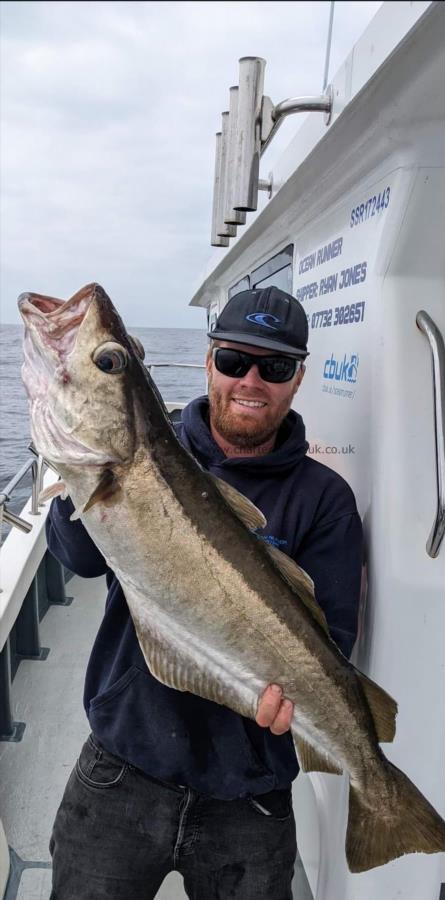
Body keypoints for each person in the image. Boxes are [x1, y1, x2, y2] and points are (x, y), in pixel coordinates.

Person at [46, 286, 363, 900]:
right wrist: (78, 471)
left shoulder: (324, 498)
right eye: (234, 360)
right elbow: (81, 558)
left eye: (273, 368)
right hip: (123, 763)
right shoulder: (150, 449)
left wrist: (302, 709)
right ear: (208, 359)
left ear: (297, 379)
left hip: (251, 794)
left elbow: (335, 636)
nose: (250, 381)